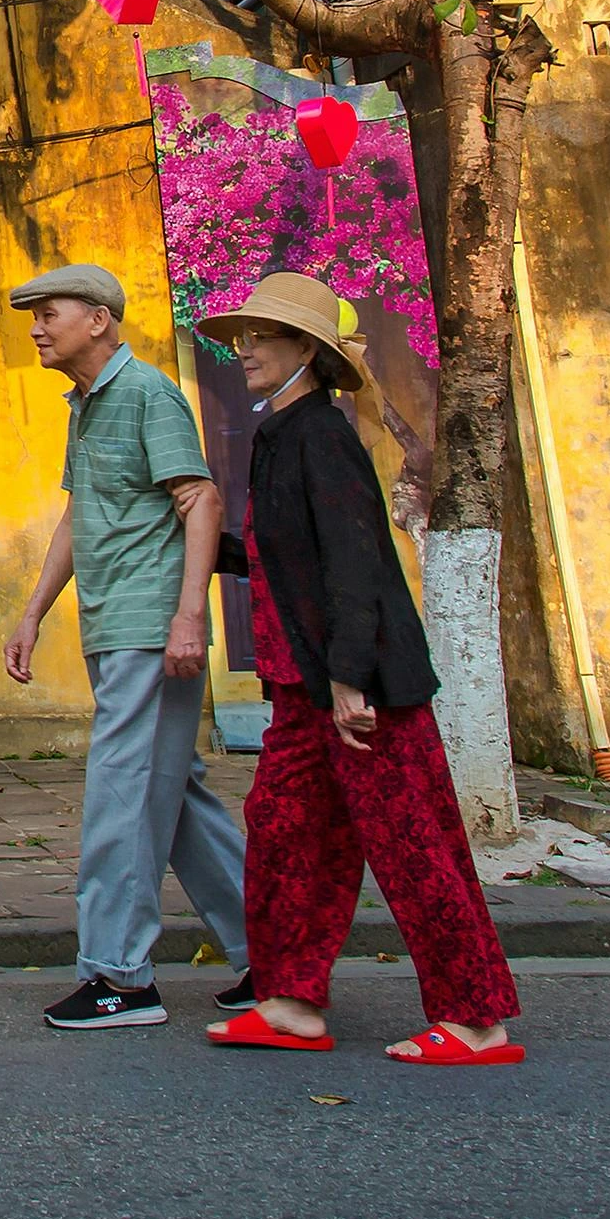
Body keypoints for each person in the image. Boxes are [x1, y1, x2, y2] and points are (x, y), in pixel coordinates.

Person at [195, 271, 524, 1067]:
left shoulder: (322, 436)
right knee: (283, 835)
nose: (245, 352)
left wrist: (348, 679)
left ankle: (475, 1018)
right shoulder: (281, 434)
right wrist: (193, 540)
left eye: (261, 338)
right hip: (300, 691)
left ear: (305, 349)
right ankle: (289, 1001)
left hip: (361, 688)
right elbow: (286, 560)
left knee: (415, 848)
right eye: (242, 338)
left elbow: (354, 566)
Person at [1, 264, 251, 1030]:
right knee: (173, 800)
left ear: (99, 320)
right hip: (115, 625)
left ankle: (119, 979)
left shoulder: (147, 394)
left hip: (149, 628)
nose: (38, 328)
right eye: (34, 317)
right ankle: (276, 952)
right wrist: (33, 612)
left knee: (121, 796)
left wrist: (186, 620)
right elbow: (80, 516)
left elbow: (199, 498)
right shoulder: (85, 406)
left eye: (50, 314)